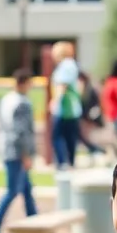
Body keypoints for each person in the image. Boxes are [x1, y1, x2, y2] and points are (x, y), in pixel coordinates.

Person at [0, 68, 38, 233]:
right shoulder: (22, 103)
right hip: (16, 151)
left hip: (6, 147)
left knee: (27, 189)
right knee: (12, 190)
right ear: (24, 83)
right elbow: (20, 131)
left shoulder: (7, 99)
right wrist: (25, 155)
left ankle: (35, 221)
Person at [49, 41, 82, 169]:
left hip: (65, 109)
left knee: (58, 137)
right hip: (72, 108)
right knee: (70, 138)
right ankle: (70, 162)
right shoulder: (72, 65)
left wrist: (55, 101)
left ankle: (63, 163)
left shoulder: (66, 65)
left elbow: (62, 85)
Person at [77, 71, 106, 164]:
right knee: (84, 138)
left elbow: (95, 105)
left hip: (91, 119)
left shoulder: (90, 90)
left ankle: (97, 151)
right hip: (85, 118)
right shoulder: (84, 90)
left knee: (88, 138)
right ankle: (95, 150)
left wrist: (91, 118)